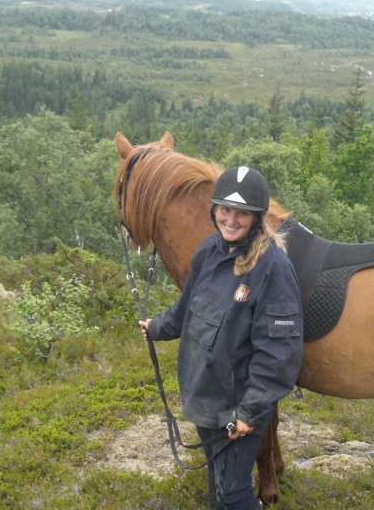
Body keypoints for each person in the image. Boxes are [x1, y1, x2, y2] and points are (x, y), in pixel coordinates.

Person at [139, 165, 303, 510]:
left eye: (241, 213)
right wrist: (156, 327)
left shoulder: (274, 268)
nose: (231, 219)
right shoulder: (209, 251)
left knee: (235, 494)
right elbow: (187, 309)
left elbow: (279, 354)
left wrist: (249, 412)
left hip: (236, 408)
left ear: (257, 217)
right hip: (204, 397)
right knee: (218, 484)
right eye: (225, 209)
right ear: (214, 210)